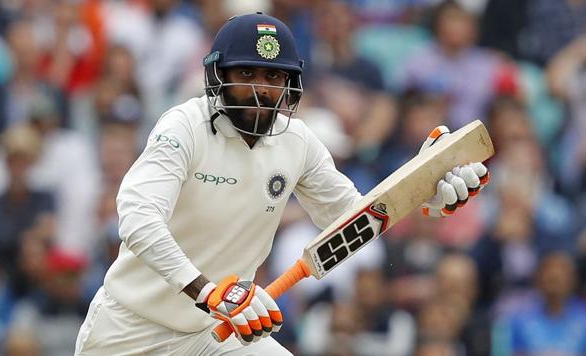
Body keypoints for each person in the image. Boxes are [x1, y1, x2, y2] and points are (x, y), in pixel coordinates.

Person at [74, 12, 489, 355]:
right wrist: (209, 292)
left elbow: (354, 218)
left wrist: (424, 194)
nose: (261, 89)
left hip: (214, 335)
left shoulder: (298, 142)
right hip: (130, 330)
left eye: (274, 77)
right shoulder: (185, 126)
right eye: (247, 73)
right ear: (217, 75)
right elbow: (138, 220)